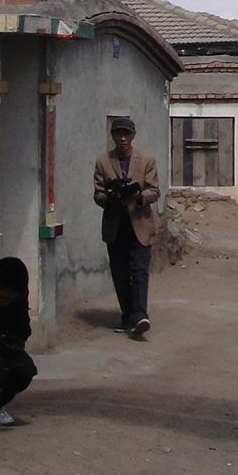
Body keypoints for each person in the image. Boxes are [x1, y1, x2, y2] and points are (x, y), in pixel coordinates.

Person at [93, 115, 160, 334]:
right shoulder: (103, 161)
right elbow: (98, 193)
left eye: (126, 134)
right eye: (118, 134)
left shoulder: (146, 160)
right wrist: (111, 197)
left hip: (140, 223)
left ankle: (141, 315)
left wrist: (137, 197)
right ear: (112, 136)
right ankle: (128, 314)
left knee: (139, 271)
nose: (122, 138)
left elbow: (154, 190)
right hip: (116, 225)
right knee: (120, 272)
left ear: (133, 136)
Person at [0, 256, 37, 426]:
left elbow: (21, 331)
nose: (5, 304)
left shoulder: (15, 300)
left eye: (10, 300)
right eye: (2, 298)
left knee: (23, 369)